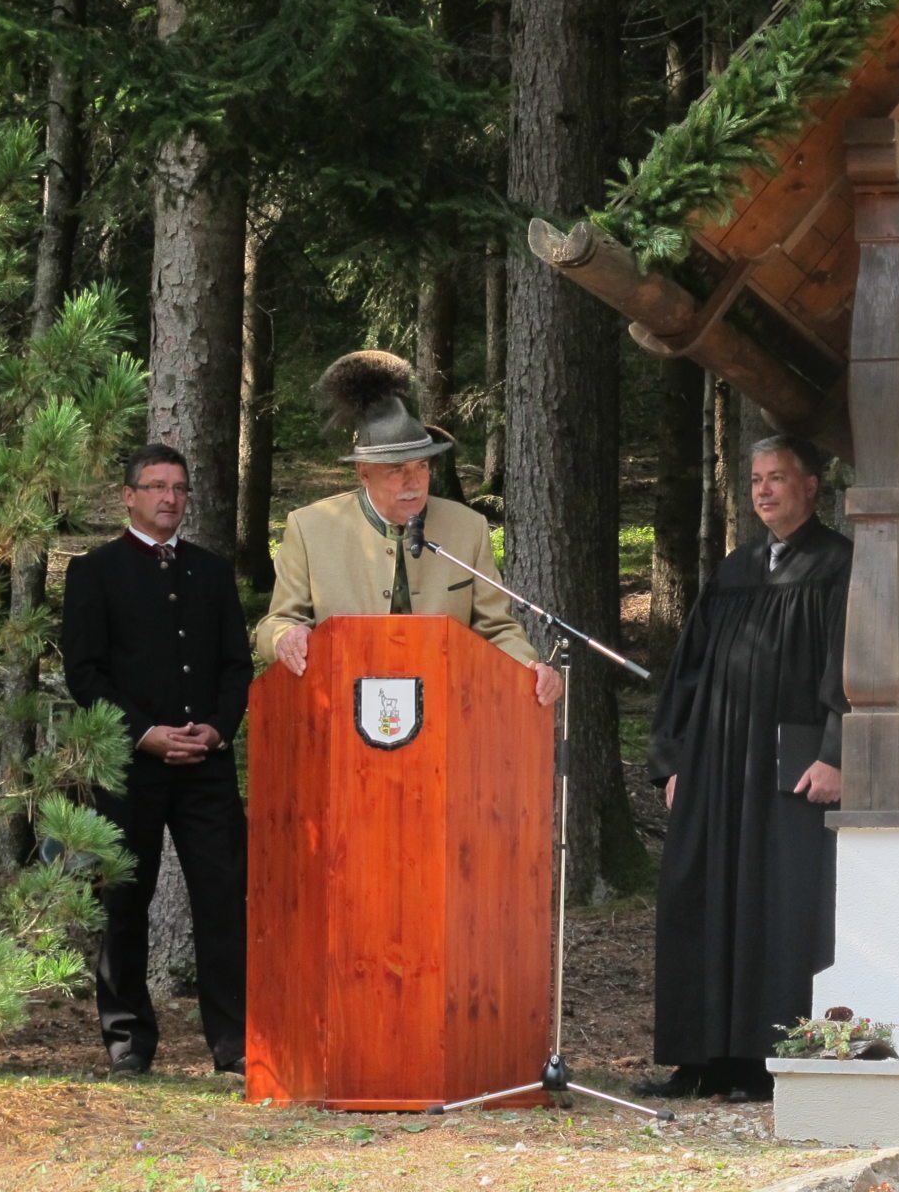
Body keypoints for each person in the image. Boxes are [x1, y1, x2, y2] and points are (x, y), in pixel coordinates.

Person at [639, 436, 851, 1102]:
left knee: (779, 903)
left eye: (778, 478)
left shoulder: (840, 564)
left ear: (811, 485)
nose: (764, 490)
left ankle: (767, 1060)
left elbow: (855, 664)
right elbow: (690, 672)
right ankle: (700, 1058)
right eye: (756, 480)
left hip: (790, 765)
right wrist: (675, 759)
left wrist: (836, 752)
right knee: (699, 895)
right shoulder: (734, 571)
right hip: (717, 764)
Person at [62, 443, 253, 1076]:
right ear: (129, 495)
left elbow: (235, 666)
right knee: (123, 901)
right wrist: (143, 733)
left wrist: (218, 731)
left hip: (206, 765)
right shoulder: (95, 572)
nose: (169, 498)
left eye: (179, 487)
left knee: (223, 899)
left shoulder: (213, 571)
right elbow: (84, 674)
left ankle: (233, 1042)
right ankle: (128, 1040)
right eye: (156, 487)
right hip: (129, 765)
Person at [254, 351, 562, 709]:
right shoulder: (310, 528)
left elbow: (495, 629)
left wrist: (527, 665)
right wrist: (284, 636)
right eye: (397, 469)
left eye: (422, 466)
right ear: (364, 473)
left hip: (447, 710)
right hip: (341, 710)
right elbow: (277, 621)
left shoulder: (467, 528)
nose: (414, 482)